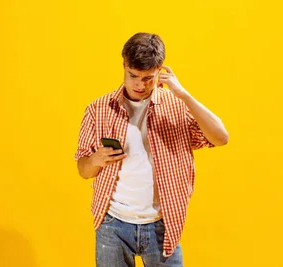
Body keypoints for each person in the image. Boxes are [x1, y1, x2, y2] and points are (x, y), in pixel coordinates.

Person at [74, 32, 229, 267]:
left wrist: (184, 95)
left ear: (160, 71)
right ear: (124, 66)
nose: (139, 84)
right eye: (133, 75)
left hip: (161, 223)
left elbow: (220, 138)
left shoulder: (176, 106)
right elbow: (83, 170)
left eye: (148, 78)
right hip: (112, 223)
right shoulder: (99, 109)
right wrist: (95, 159)